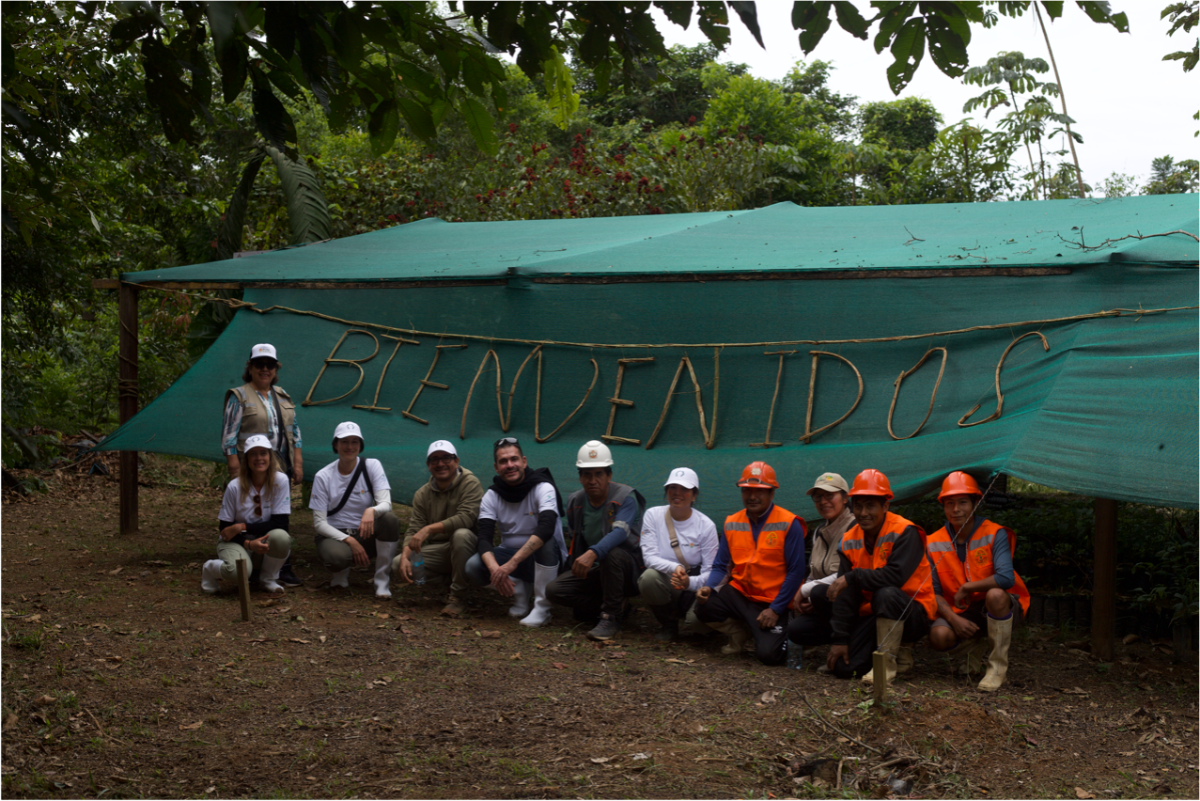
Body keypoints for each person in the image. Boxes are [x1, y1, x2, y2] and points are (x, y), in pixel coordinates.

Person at [825, 469, 936, 685]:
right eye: (858, 506)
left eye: (871, 506)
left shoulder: (906, 531)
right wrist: (840, 639)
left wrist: (852, 577)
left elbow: (895, 576)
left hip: (914, 612)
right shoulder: (849, 539)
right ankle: (878, 653)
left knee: (887, 594)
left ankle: (886, 666)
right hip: (873, 612)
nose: (863, 513)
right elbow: (845, 592)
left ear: (885, 506)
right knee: (844, 669)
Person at [926, 471, 1029, 692]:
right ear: (943, 505)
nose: (956, 509)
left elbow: (1005, 578)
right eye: (950, 503)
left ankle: (996, 668)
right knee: (938, 636)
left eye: (963, 502)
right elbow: (932, 592)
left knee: (995, 594)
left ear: (976, 502)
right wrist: (954, 619)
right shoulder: (932, 542)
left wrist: (967, 587)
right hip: (961, 610)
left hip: (999, 605)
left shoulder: (994, 533)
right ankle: (977, 645)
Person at [695, 462, 806, 665]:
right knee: (704, 606)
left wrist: (776, 609)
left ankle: (774, 632)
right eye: (747, 490)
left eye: (759, 491)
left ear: (772, 493)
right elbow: (721, 566)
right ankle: (741, 632)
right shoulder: (732, 522)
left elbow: (796, 572)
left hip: (773, 600)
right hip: (741, 594)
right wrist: (709, 587)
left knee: (770, 656)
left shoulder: (789, 524)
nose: (752, 496)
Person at [221, 343, 303, 587]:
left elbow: (295, 431)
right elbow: (229, 437)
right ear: (250, 367)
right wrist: (235, 469)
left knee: (278, 516)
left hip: (280, 464)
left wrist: (297, 462)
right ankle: (247, 556)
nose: (265, 369)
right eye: (259, 364)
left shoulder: (282, 395)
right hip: (252, 465)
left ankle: (281, 567)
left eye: (270, 365)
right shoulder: (239, 396)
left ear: (276, 368)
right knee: (248, 510)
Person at [546, 441, 646, 641]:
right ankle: (615, 605)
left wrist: (592, 553)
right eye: (586, 474)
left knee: (612, 554)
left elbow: (620, 533)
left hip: (628, 570)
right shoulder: (576, 501)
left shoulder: (625, 497)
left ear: (609, 476)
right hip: (596, 570)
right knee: (554, 590)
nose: (593, 480)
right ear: (580, 478)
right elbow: (576, 539)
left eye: (598, 474)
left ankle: (611, 618)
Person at [464, 437, 565, 627]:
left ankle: (542, 609)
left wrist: (511, 564)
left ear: (524, 462)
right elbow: (484, 538)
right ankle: (519, 593)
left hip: (547, 559)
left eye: (514, 459)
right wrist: (496, 570)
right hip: (511, 556)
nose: (510, 465)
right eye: (503, 461)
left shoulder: (543, 487)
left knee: (546, 540)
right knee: (473, 566)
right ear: (496, 467)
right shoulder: (491, 496)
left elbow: (546, 527)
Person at [308, 422, 400, 597]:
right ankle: (340, 576)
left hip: (363, 530)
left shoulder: (371, 466)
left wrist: (371, 510)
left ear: (360, 445)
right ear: (336, 445)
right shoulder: (323, 476)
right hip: (335, 534)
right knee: (337, 557)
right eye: (344, 442)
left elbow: (386, 503)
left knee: (390, 520)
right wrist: (350, 541)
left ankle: (382, 580)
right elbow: (319, 523)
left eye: (354, 442)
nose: (349, 447)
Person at [393, 440, 483, 617]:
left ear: (456, 461)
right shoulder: (422, 493)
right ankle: (444, 585)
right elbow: (414, 528)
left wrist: (428, 530)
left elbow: (466, 518)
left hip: (470, 550)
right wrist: (405, 555)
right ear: (428, 465)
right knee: (398, 564)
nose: (440, 463)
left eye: (446, 458)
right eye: (434, 459)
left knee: (461, 535)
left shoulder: (470, 483)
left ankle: (458, 597)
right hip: (441, 551)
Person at [202, 434, 293, 594]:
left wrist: (242, 526)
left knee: (281, 537)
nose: (259, 458)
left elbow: (281, 524)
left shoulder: (281, 481)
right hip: (236, 541)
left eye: (263, 453)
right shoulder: (234, 486)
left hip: (263, 539)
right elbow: (225, 528)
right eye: (253, 454)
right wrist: (248, 544)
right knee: (238, 572)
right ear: (246, 459)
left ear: (270, 457)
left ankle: (268, 579)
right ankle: (210, 568)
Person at [637, 467, 719, 641]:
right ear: (666, 492)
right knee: (649, 578)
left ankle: (708, 628)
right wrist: (676, 567)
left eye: (684, 489)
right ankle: (668, 625)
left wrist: (689, 582)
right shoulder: (653, 515)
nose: (677, 493)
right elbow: (649, 557)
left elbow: (711, 571)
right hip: (667, 580)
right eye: (672, 487)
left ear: (694, 495)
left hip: (694, 583)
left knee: (695, 624)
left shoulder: (706, 526)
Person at [786, 472, 856, 667]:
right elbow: (812, 573)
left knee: (817, 592)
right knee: (797, 630)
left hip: (851, 603)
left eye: (829, 495)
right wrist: (807, 595)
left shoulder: (855, 528)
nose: (823, 501)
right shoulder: (819, 531)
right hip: (825, 601)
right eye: (818, 497)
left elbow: (845, 574)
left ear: (844, 498)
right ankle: (832, 642)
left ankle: (850, 642)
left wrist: (807, 590)